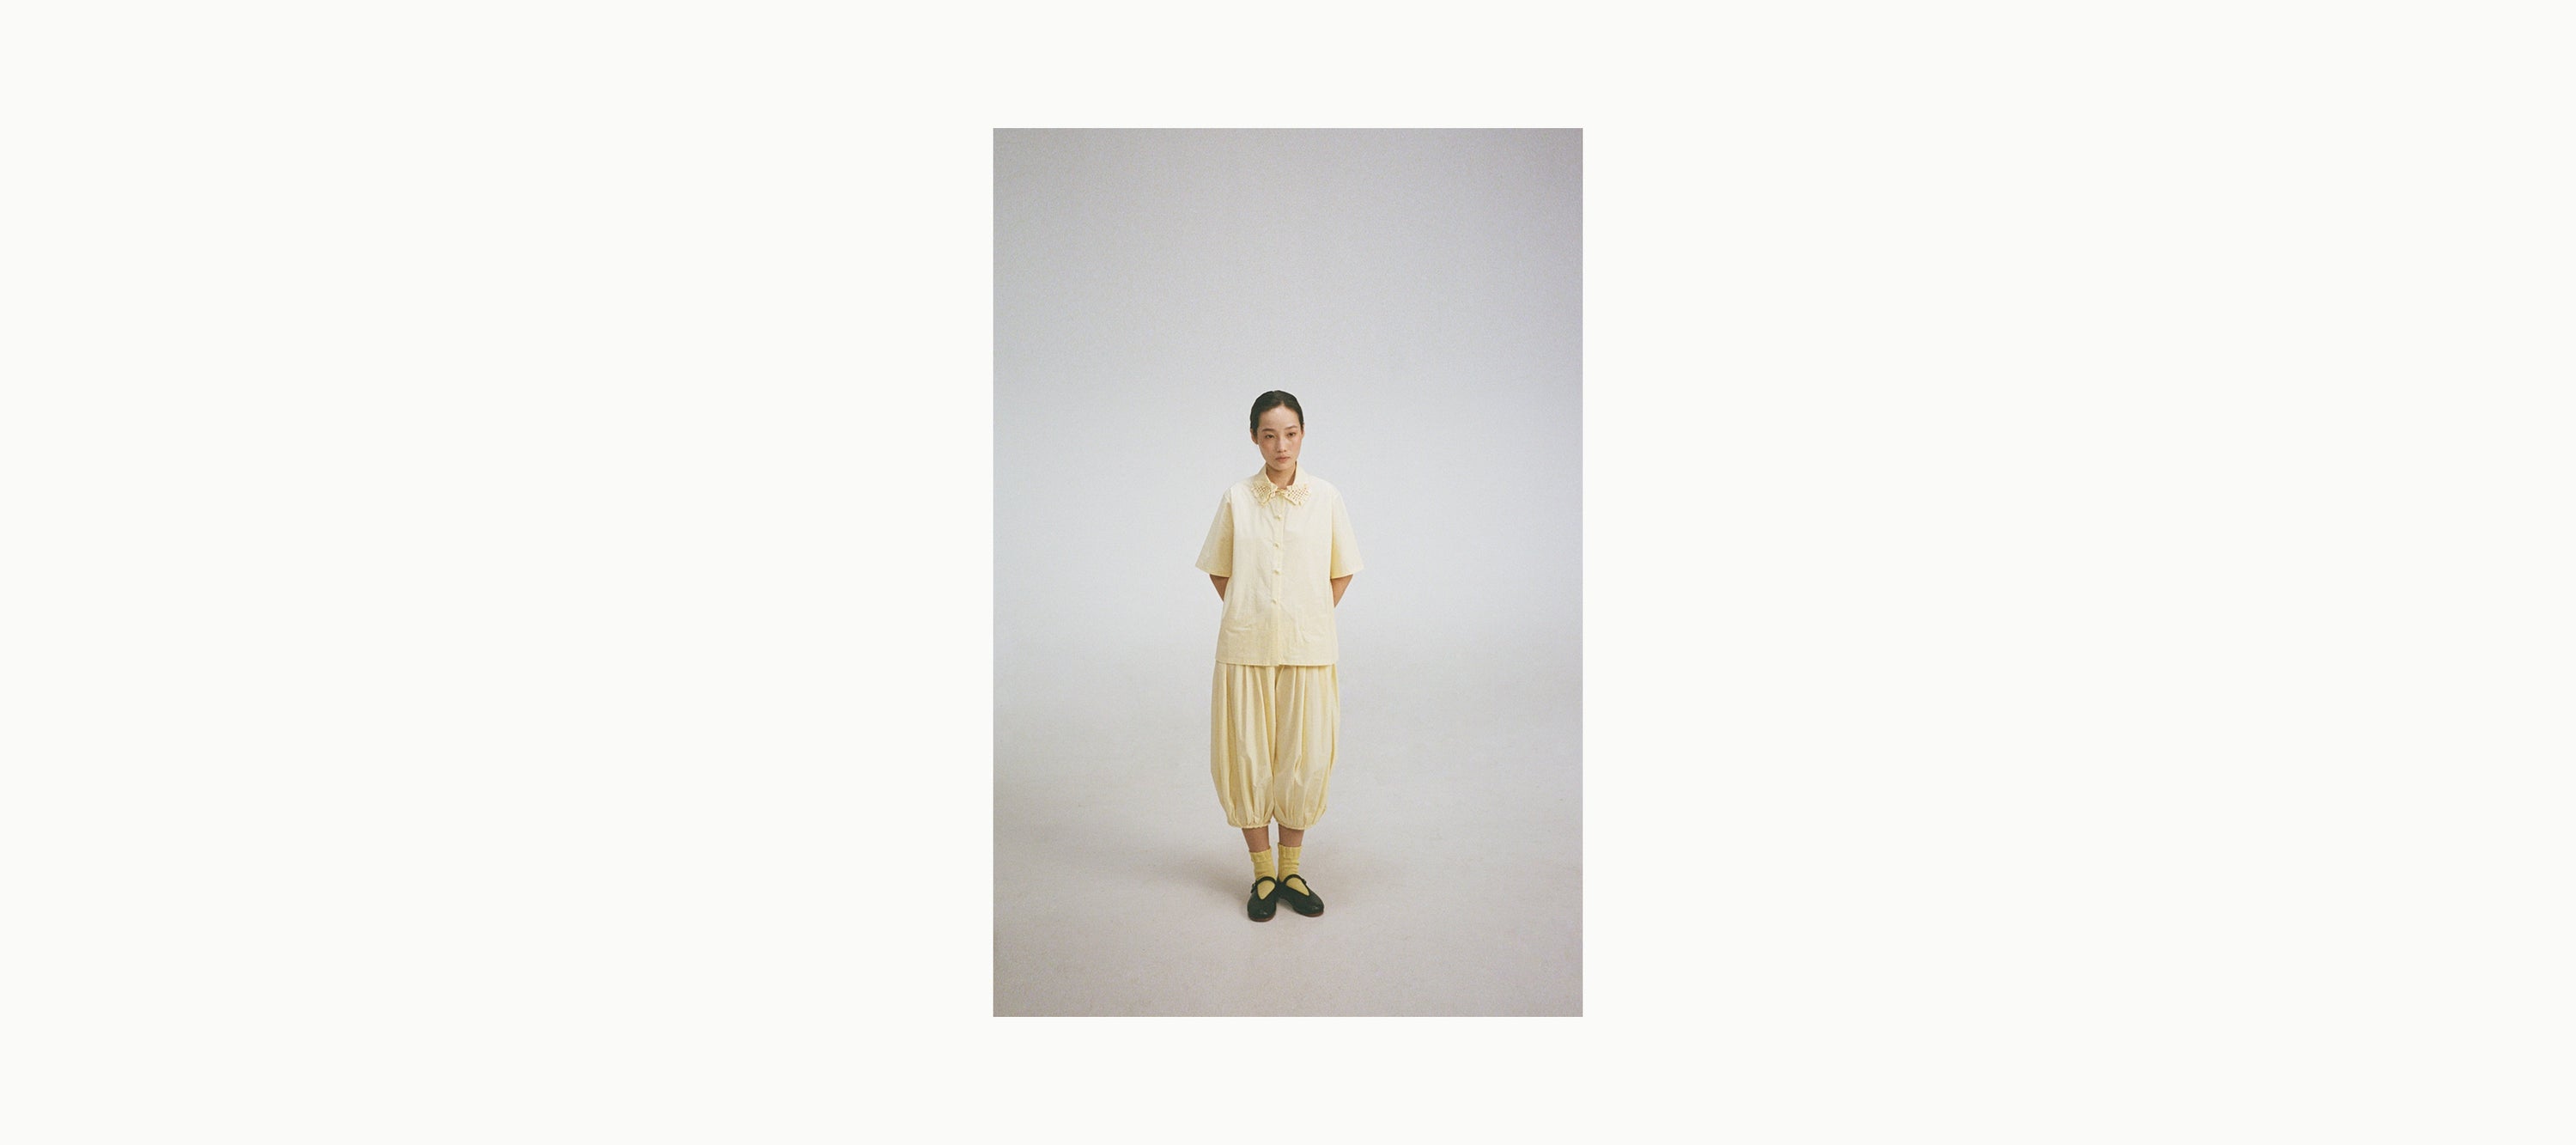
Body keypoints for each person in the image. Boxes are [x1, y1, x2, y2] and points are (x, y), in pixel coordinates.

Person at [1194, 390, 1362, 922]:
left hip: (1310, 648)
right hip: (1245, 646)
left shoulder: (1327, 497)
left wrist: (1303, 618)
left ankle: (1291, 869)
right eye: (1269, 435)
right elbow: (1220, 568)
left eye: (1290, 434)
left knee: (1303, 757)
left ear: (1303, 434)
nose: (1281, 445)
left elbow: (1342, 569)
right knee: (1246, 755)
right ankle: (1263, 873)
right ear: (1254, 438)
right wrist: (1255, 615)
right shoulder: (1237, 498)